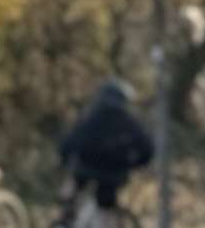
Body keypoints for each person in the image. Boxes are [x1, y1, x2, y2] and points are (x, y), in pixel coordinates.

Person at [57, 73, 157, 217]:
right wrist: (135, 163)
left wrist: (64, 158)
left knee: (75, 188)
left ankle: (66, 223)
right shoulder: (127, 122)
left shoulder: (93, 118)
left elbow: (71, 140)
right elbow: (146, 148)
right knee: (105, 205)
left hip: (86, 168)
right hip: (114, 173)